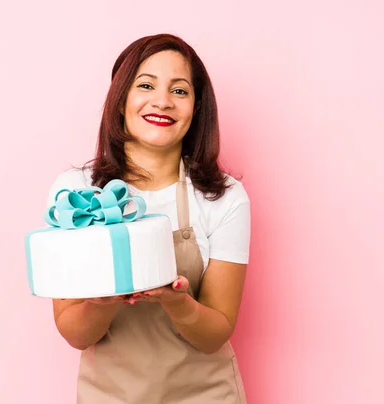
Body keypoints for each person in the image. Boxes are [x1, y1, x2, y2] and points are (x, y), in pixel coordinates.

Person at [47, 33, 251, 403]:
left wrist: (176, 301)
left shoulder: (223, 196)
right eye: (146, 85)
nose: (162, 101)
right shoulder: (77, 192)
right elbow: (75, 333)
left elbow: (215, 332)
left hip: (205, 395)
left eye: (180, 91)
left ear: (197, 107)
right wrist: (104, 299)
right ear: (120, 99)